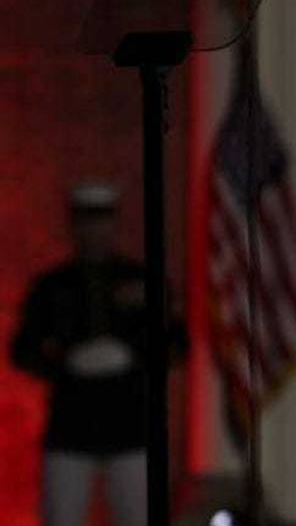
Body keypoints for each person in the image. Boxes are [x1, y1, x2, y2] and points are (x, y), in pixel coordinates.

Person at [10, 183, 186, 526]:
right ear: (74, 226)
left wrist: (133, 358)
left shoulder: (143, 281)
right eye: (86, 222)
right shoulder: (52, 286)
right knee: (62, 516)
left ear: (113, 224)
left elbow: (178, 345)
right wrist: (64, 365)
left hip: (130, 426)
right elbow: (22, 350)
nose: (94, 231)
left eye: (101, 221)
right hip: (70, 427)